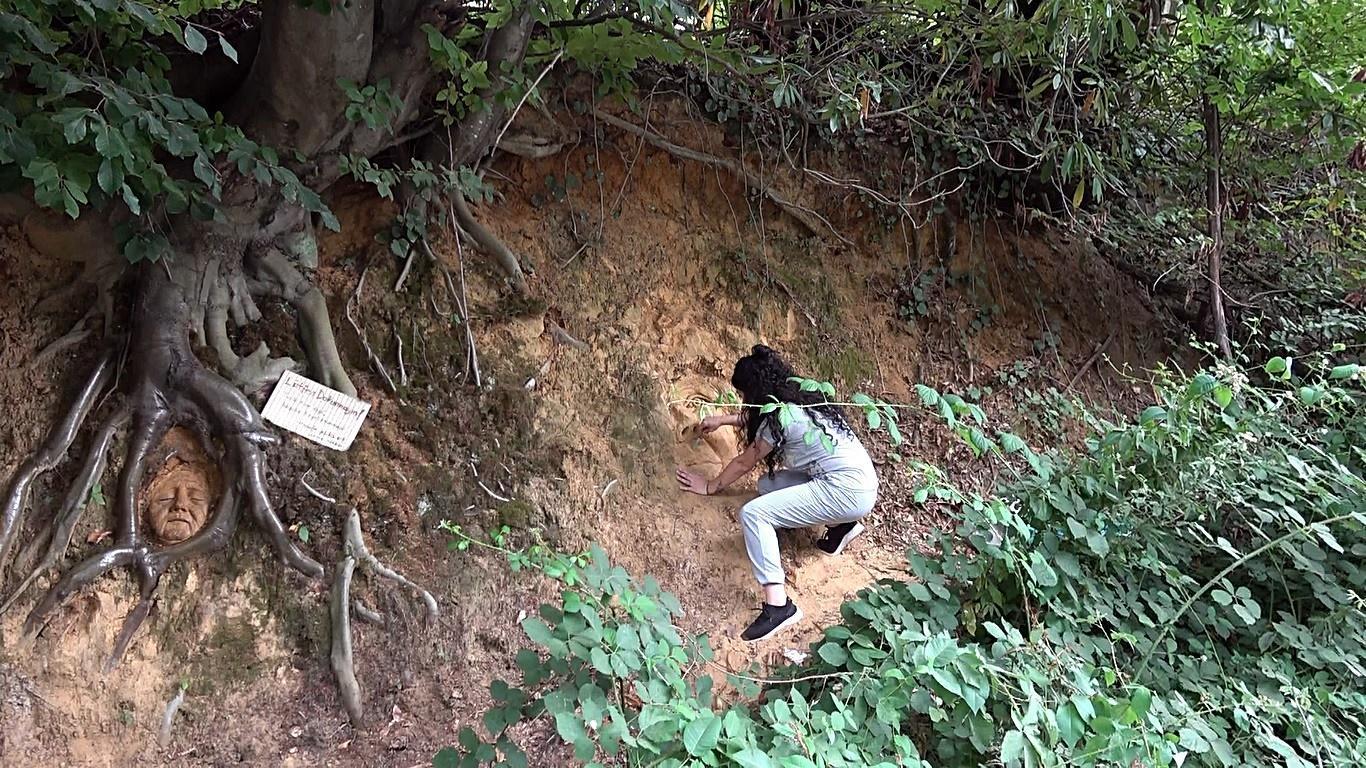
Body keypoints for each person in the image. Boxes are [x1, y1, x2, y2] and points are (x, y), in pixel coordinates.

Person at [676, 344, 879, 642]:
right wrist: (723, 419)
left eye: (744, 395)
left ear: (754, 392)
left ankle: (778, 606)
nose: (744, 401)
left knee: (754, 514)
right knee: (767, 486)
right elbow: (764, 418)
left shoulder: (778, 419)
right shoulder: (798, 399)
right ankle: (842, 527)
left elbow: (744, 462)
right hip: (861, 484)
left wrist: (709, 486)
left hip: (845, 493)